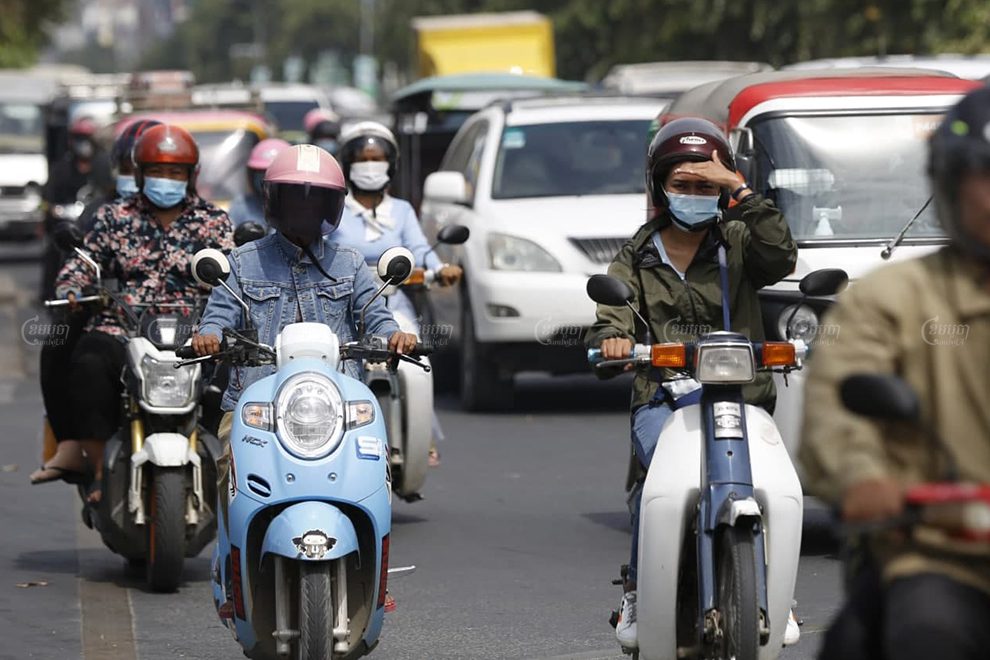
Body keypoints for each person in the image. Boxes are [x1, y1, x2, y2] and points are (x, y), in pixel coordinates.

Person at [584, 117, 798, 650]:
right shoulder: (637, 253)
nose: (695, 194)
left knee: (771, 478)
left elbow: (782, 255)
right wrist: (614, 340)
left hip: (740, 396)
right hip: (663, 397)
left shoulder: (740, 241)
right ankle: (638, 588)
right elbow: (612, 310)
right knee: (657, 475)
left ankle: (777, 590)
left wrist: (738, 187)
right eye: (684, 184)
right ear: (661, 186)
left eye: (706, 186)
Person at [800, 86, 990, 660]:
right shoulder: (891, 297)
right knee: (924, 634)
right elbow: (837, 406)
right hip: (942, 554)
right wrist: (864, 478)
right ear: (951, 186)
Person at [190, 144, 416, 536]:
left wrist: (394, 335)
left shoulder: (349, 263)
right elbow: (218, 316)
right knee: (232, 473)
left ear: (331, 208)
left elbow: (375, 314)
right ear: (275, 202)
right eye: (295, 200)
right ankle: (233, 565)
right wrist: (208, 337)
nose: (304, 211)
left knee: (374, 472)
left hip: (339, 404)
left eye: (315, 202)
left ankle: (374, 569)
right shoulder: (243, 262)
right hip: (257, 405)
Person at [31, 125, 233, 499]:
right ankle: (97, 471)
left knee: (239, 371)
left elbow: (233, 274)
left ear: (191, 175)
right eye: (158, 172)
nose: (166, 180)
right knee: (88, 362)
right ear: (139, 174)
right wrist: (73, 287)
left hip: (196, 334)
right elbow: (82, 264)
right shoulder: (112, 217)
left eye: (176, 172)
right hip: (123, 329)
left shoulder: (213, 221)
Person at [32, 119, 164, 485]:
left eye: (156, 169)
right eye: (132, 167)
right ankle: (73, 446)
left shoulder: (199, 216)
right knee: (59, 339)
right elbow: (77, 264)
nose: (141, 177)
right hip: (109, 316)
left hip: (175, 322)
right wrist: (75, 291)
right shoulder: (100, 214)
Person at [328, 121, 462, 466]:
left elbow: (419, 248)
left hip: (393, 301)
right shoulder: (334, 209)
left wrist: (440, 268)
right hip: (343, 305)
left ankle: (421, 434)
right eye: (363, 158)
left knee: (418, 362)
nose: (370, 165)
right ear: (347, 165)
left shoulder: (401, 210)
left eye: (377, 158)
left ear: (391, 164)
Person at [40, 116, 100, 301]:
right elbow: (48, 199)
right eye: (79, 138)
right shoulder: (62, 169)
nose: (83, 144)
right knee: (53, 252)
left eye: (87, 138)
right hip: (65, 224)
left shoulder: (101, 169)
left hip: (93, 226)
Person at [227, 137, 290, 227]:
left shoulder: (302, 207)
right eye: (261, 173)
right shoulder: (242, 206)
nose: (267, 181)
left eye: (273, 174)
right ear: (251, 174)